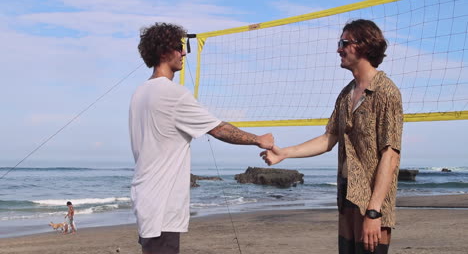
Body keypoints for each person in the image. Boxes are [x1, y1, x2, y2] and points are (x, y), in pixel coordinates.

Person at [129, 22, 274, 254]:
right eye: (180, 46)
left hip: (146, 198)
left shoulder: (140, 93)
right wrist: (259, 139)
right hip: (162, 205)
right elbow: (218, 129)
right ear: (164, 51)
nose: (184, 52)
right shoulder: (173, 94)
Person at [261, 19, 403, 254]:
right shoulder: (346, 94)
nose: (339, 49)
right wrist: (285, 153)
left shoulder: (386, 92)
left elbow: (391, 155)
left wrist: (374, 211)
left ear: (364, 45)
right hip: (347, 195)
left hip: (371, 203)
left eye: (344, 42)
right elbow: (329, 137)